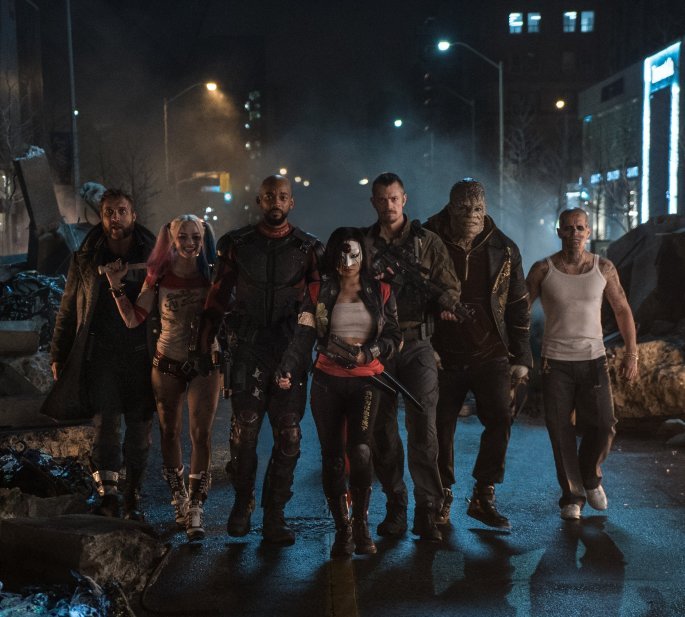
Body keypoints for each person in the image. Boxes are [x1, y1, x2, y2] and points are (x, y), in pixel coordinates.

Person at [200, 174, 324, 545]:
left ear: (291, 202)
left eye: (282, 196)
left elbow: (318, 304)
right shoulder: (237, 245)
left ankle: (275, 514)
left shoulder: (309, 249)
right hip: (248, 348)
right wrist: (203, 343)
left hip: (289, 349)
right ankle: (243, 503)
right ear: (259, 200)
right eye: (269, 196)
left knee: (289, 433)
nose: (276, 202)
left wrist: (316, 349)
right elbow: (217, 295)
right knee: (244, 430)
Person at [276, 227, 401, 557]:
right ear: (332, 257)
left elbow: (394, 337)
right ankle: (342, 528)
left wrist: (368, 353)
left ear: (363, 255)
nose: (348, 263)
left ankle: (361, 524)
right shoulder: (317, 291)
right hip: (327, 382)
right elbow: (303, 335)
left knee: (361, 451)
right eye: (342, 256)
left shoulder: (381, 291)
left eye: (354, 255)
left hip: (366, 382)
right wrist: (288, 367)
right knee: (332, 459)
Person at [102, 214, 220, 540]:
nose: (190, 243)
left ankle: (196, 506)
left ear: (203, 239)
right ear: (171, 239)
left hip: (206, 362)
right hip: (167, 361)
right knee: (170, 433)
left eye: (195, 237)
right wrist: (115, 285)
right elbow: (133, 319)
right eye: (183, 237)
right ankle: (179, 498)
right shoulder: (158, 276)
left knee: (201, 434)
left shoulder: (213, 274)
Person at [42, 188, 157, 521]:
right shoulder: (86, 256)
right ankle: (109, 497)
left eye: (121, 211)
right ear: (102, 217)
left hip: (141, 356)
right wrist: (58, 353)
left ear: (133, 215)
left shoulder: (152, 256)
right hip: (102, 356)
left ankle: (133, 498)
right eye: (109, 212)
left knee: (139, 431)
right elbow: (68, 308)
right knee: (105, 427)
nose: (115, 218)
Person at [424, 178, 532, 530]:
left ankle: (484, 494)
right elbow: (411, 296)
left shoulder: (504, 248)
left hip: (491, 351)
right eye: (464, 208)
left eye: (478, 208)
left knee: (501, 417)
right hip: (442, 353)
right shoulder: (426, 240)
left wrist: (521, 357)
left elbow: (518, 304)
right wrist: (425, 344)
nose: (472, 215)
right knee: (439, 426)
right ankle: (442, 494)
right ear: (450, 208)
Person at [363, 172, 461, 542]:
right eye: (382, 199)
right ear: (373, 202)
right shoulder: (364, 244)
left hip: (417, 342)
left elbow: (450, 286)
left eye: (394, 198)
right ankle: (396, 506)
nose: (388, 205)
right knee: (381, 431)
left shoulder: (427, 242)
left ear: (404, 199)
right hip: (377, 346)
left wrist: (446, 304)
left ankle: (428, 510)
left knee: (424, 430)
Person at [526, 207, 638, 520]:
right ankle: (572, 497)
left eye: (579, 228)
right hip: (555, 363)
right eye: (568, 228)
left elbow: (622, 310)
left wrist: (632, 353)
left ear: (588, 232)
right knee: (559, 429)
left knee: (604, 424)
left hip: (593, 360)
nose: (574, 233)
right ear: (559, 232)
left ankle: (589, 476)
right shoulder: (543, 270)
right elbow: (520, 310)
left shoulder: (603, 268)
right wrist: (517, 355)